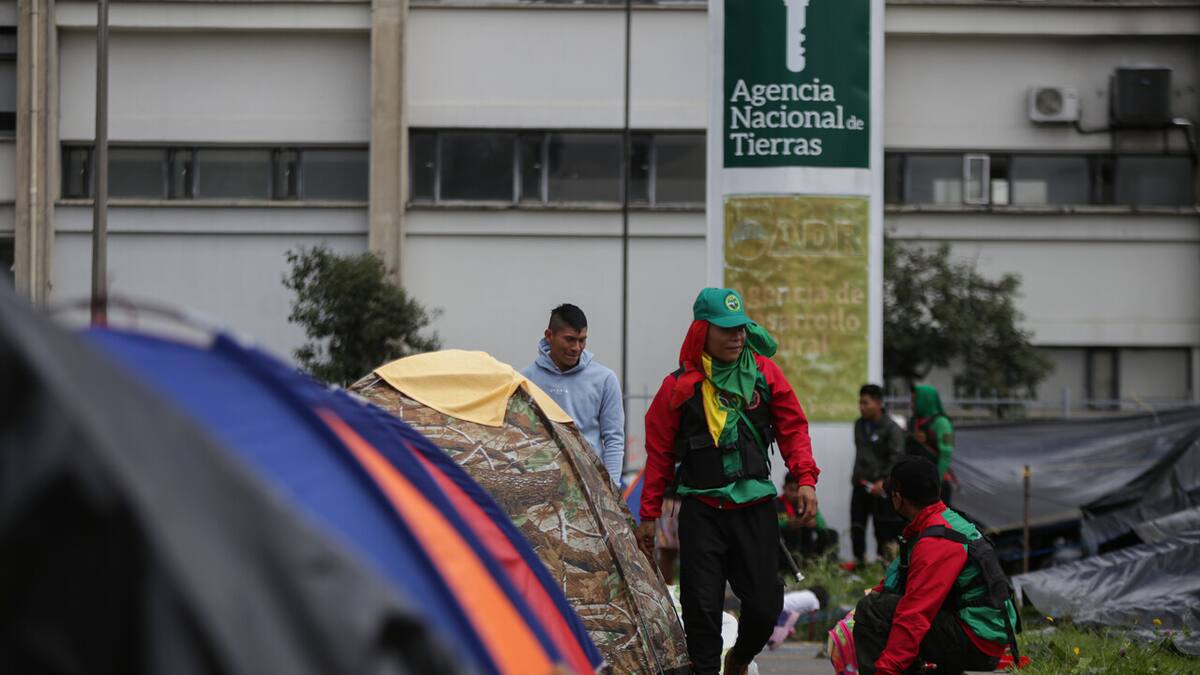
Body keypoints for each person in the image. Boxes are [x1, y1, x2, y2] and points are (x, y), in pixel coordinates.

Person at [635, 287, 820, 675]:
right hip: (702, 510)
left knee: (765, 606)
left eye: (741, 328)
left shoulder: (764, 373)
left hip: (755, 508)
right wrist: (648, 515)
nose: (737, 337)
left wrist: (805, 479)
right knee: (700, 609)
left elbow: (793, 428)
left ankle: (739, 658)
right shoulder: (677, 386)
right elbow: (659, 454)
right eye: (726, 329)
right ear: (703, 331)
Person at [853, 457, 1018, 675]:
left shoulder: (937, 541)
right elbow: (902, 582)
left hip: (978, 641)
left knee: (873, 609)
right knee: (884, 604)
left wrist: (886, 669)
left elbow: (915, 613)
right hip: (980, 632)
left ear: (897, 498)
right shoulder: (943, 521)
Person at [522, 303, 625, 486]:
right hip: (540, 484)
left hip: (590, 485)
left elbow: (614, 439)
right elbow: (521, 435)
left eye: (582, 340)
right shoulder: (525, 380)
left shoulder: (605, 379)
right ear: (549, 336)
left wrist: (613, 488)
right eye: (570, 340)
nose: (577, 347)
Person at [851, 384, 906, 566]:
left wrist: (883, 481)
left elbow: (896, 458)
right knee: (857, 525)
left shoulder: (892, 428)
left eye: (865, 403)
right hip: (861, 484)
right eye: (860, 403)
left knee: (882, 528)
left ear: (878, 403)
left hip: (881, 488)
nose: (861, 407)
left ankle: (884, 566)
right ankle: (859, 564)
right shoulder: (859, 425)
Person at [906, 385, 955, 506]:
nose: (911, 405)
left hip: (936, 485)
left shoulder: (942, 423)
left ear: (925, 400)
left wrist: (936, 483)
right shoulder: (913, 422)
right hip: (916, 484)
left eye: (914, 400)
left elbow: (946, 454)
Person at [777, 474, 838, 563]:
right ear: (784, 487)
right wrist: (786, 524)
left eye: (798, 490)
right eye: (791, 490)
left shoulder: (807, 504)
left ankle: (826, 562)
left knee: (831, 533)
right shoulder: (775, 504)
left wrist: (814, 523)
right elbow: (769, 524)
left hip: (806, 547)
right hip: (785, 547)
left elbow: (822, 524)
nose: (795, 494)